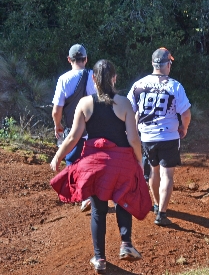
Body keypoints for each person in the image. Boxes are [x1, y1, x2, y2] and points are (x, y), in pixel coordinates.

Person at [50, 59, 150, 273]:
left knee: (98, 210)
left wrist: (58, 156)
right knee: (123, 200)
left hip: (94, 164)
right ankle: (126, 244)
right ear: (114, 78)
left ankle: (100, 258)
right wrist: (139, 161)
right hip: (121, 162)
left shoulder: (85, 103)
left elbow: (73, 137)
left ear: (93, 79)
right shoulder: (124, 104)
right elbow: (133, 139)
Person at [127, 47, 192, 226]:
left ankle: (156, 204)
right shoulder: (174, 86)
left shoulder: (138, 85)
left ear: (153, 64)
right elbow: (186, 114)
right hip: (168, 136)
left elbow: (130, 110)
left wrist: (134, 131)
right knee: (167, 174)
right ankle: (162, 213)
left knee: (153, 171)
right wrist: (183, 128)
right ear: (168, 64)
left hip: (147, 137)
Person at [51, 44, 97, 212]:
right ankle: (95, 194)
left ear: (69, 60)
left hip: (74, 129)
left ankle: (84, 196)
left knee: (72, 161)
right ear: (86, 59)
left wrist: (58, 126)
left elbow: (57, 110)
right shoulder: (94, 76)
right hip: (94, 128)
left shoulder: (63, 79)